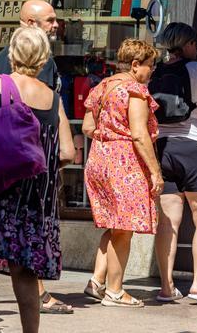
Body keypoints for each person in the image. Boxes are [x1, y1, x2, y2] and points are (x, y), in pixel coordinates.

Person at [0, 27, 75, 333]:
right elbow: (67, 151)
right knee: (24, 269)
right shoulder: (53, 98)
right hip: (33, 198)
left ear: (11, 54)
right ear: (43, 59)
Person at [0, 0, 70, 314]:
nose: (55, 25)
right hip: (34, 156)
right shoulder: (41, 60)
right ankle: (36, 291)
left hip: (6, 156)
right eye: (49, 20)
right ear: (31, 23)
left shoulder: (1, 59)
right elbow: (49, 107)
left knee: (13, 224)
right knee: (32, 225)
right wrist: (62, 145)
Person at [81, 39, 163, 308]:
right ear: (136, 65)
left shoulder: (102, 87)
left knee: (115, 225)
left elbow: (86, 127)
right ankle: (115, 291)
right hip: (123, 162)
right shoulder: (134, 91)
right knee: (124, 230)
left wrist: (107, 136)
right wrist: (155, 171)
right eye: (150, 66)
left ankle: (97, 281)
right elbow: (140, 136)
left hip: (98, 158)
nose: (151, 71)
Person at [151, 23, 197, 304]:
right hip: (196, 149)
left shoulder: (155, 71)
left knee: (167, 221)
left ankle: (167, 287)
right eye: (195, 42)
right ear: (186, 44)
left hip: (163, 148)